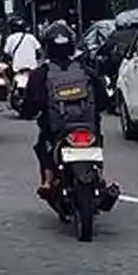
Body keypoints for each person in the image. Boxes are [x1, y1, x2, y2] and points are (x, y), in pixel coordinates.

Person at [21, 22, 110, 195]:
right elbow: (103, 101)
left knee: (43, 146)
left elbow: (31, 104)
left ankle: (48, 181)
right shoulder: (86, 71)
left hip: (56, 130)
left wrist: (28, 112)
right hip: (89, 127)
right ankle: (98, 176)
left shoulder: (41, 74)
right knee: (96, 141)